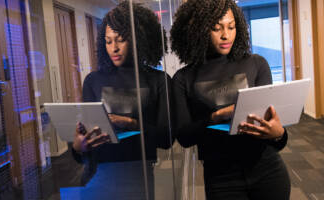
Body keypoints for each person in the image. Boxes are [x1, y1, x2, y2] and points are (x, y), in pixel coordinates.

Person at [170, 0, 290, 199]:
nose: (226, 35)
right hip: (221, 179)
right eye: (216, 28)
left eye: (231, 27)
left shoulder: (256, 64)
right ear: (199, 30)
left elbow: (275, 136)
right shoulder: (184, 78)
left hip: (268, 171)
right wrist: (215, 117)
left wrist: (279, 134)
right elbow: (184, 137)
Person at [68, 2, 171, 199]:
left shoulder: (157, 80)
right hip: (97, 177)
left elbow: (166, 139)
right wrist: (77, 148)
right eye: (108, 41)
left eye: (120, 40)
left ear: (137, 40)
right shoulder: (93, 81)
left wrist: (131, 123)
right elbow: (85, 145)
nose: (113, 48)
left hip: (137, 178)